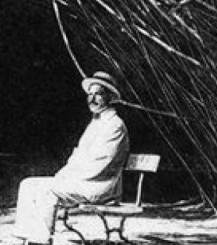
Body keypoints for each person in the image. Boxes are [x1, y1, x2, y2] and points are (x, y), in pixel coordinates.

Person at [11, 71, 130, 244]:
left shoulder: (114, 125)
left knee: (48, 190)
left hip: (100, 186)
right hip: (85, 181)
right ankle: (25, 237)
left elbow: (99, 164)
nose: (92, 98)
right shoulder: (96, 123)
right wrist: (62, 175)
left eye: (98, 94)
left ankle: (41, 240)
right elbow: (78, 157)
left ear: (110, 97)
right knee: (28, 184)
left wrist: (67, 178)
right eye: (90, 94)